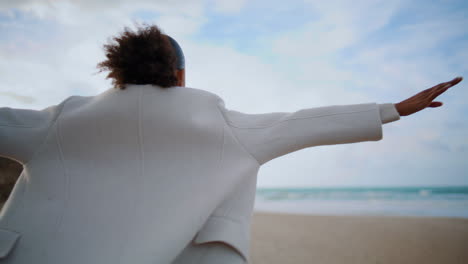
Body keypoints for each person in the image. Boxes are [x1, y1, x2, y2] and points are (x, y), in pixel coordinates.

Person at [0, 23, 463, 264]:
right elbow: (305, 123)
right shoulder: (221, 124)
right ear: (180, 76)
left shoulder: (61, 119)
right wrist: (393, 109)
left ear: (117, 71)